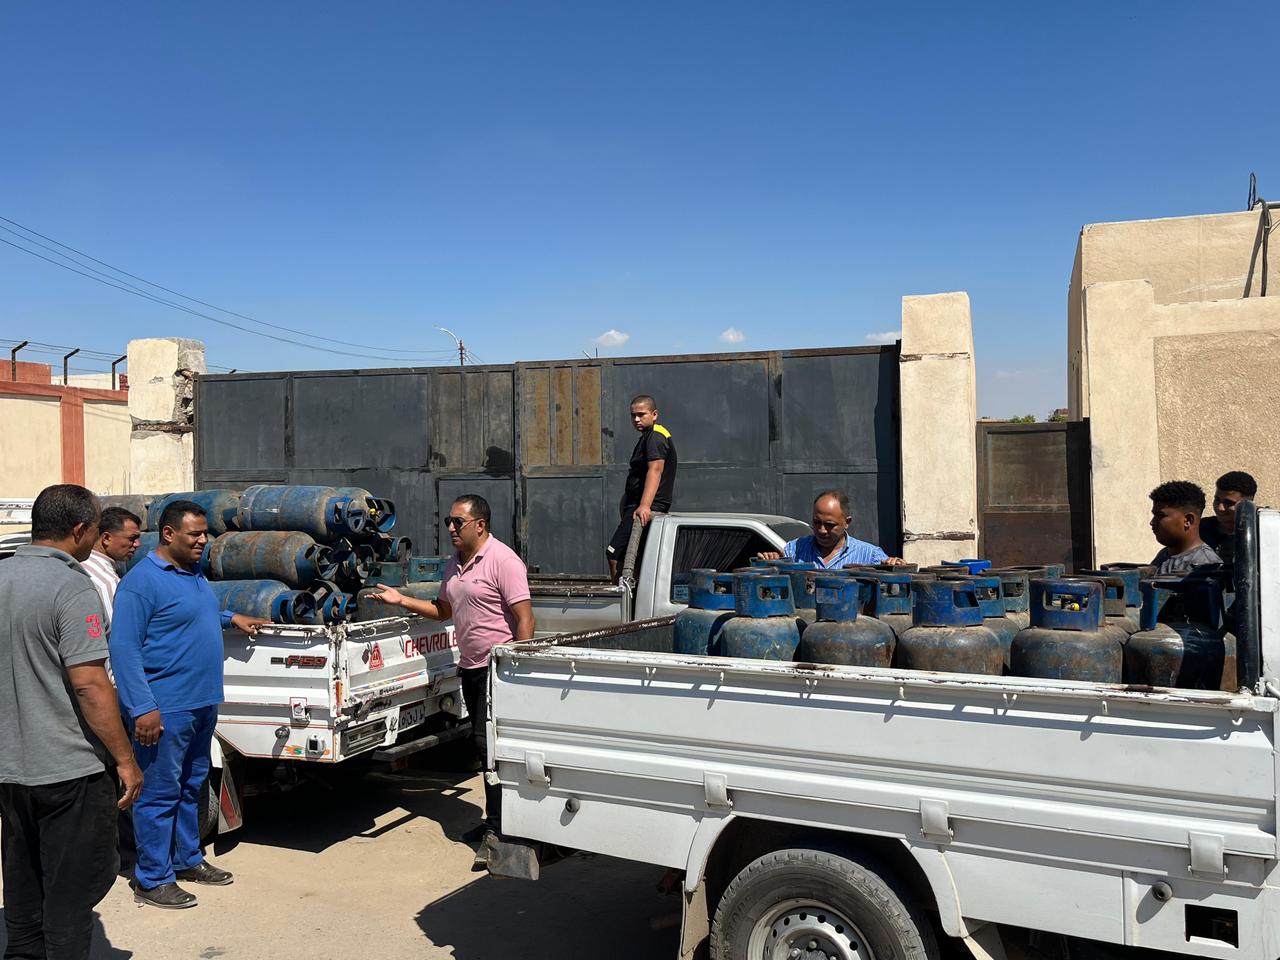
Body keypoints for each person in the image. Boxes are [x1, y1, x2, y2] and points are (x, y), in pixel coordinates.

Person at [0, 484, 143, 960]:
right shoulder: (72, 585)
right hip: (69, 770)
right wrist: (125, 759)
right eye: (97, 527)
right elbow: (90, 684)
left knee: (23, 887)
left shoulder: (2, 575)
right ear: (80, 530)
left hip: (12, 769)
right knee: (71, 896)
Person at [109, 500, 268, 909]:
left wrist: (230, 618)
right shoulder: (141, 583)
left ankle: (186, 859)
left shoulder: (193, 573)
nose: (203, 540)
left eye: (205, 533)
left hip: (202, 702)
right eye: (194, 534)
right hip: (165, 709)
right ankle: (152, 878)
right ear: (168, 534)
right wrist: (142, 708)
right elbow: (124, 650)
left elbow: (191, 614)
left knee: (190, 786)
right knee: (158, 794)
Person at [370, 494, 534, 843]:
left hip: (497, 670)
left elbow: (525, 618)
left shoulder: (503, 561)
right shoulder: (454, 565)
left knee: (490, 748)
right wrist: (401, 600)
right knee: (484, 748)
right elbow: (443, 610)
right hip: (470, 668)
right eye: (449, 521)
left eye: (458, 522)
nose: (450, 528)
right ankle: (497, 823)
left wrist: (517, 671)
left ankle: (502, 829)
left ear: (480, 525)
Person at [607, 394, 677, 581]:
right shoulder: (648, 437)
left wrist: (645, 505)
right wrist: (626, 502)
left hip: (645, 507)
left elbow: (655, 470)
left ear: (654, 414)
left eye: (641, 414)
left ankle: (627, 598)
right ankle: (633, 595)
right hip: (635, 506)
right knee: (634, 559)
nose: (636, 419)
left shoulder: (655, 437)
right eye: (633, 415)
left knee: (615, 554)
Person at [759, 490, 906, 569]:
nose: (822, 530)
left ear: (847, 522)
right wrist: (771, 561)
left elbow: (894, 576)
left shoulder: (870, 555)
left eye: (829, 525)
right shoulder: (794, 550)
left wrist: (896, 565)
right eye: (817, 522)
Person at [82, 505, 143, 632]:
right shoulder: (108, 583)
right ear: (106, 538)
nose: (138, 544)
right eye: (132, 538)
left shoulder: (80, 563)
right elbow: (116, 633)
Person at [1149, 480, 1221, 575]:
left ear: (1188, 520)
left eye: (1160, 515)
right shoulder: (1164, 555)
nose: (1152, 522)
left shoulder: (1206, 566)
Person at [1200, 471, 1257, 568]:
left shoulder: (1260, 535)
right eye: (1217, 499)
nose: (1220, 508)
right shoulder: (1199, 529)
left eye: (1229, 503)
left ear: (1247, 504)